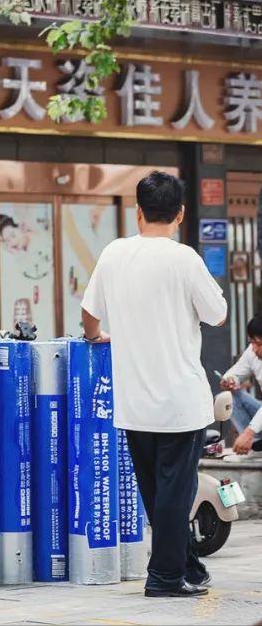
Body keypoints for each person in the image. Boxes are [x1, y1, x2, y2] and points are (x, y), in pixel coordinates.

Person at [80, 170, 227, 599]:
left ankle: (189, 567)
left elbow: (90, 314)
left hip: (134, 403)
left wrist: (94, 337)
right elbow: (217, 314)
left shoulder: (114, 253)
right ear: (180, 214)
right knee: (173, 496)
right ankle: (163, 579)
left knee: (157, 493)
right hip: (180, 402)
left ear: (138, 211)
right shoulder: (184, 259)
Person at [218, 316, 262, 455]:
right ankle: (254, 446)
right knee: (230, 396)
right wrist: (230, 380)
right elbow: (235, 373)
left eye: (258, 344)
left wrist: (248, 433)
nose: (254, 349)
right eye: (252, 343)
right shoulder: (252, 352)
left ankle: (250, 440)